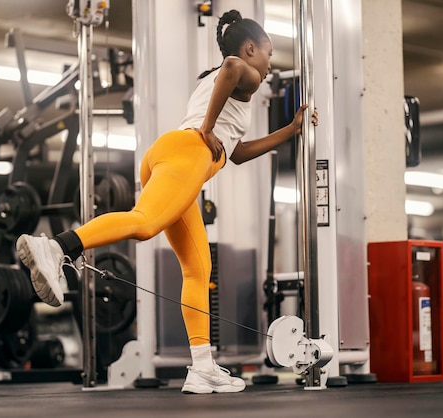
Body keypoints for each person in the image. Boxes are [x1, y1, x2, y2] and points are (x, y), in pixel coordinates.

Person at [16, 9, 317, 394]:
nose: (270, 64)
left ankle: (203, 367)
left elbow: (237, 153)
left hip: (170, 155)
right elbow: (230, 66)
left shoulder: (214, 83)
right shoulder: (246, 73)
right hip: (187, 155)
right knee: (144, 223)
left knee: (197, 268)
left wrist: (290, 130)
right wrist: (207, 128)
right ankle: (56, 245)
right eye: (269, 53)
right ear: (250, 48)